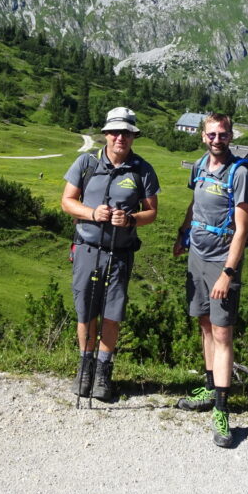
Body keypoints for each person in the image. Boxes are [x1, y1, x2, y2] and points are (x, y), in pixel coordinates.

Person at [61, 106, 159, 402]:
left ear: (133, 136)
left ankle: (103, 370)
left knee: (112, 314)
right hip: (88, 248)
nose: (120, 137)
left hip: (120, 253)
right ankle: (85, 365)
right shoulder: (85, 162)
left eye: (127, 133)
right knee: (86, 310)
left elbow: (152, 212)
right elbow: (67, 202)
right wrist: (92, 213)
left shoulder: (143, 169)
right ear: (105, 134)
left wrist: (129, 220)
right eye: (115, 132)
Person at [172, 113, 248, 447]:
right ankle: (208, 389)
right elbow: (195, 204)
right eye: (211, 134)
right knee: (204, 324)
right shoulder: (199, 167)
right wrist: (181, 233)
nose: (216, 139)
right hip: (197, 256)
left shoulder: (241, 173)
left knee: (222, 333)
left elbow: (243, 229)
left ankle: (222, 413)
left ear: (231, 136)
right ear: (202, 136)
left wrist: (228, 273)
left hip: (222, 262)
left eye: (222, 134)